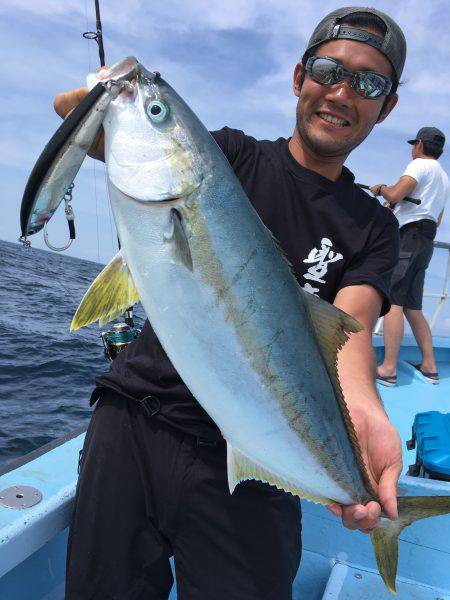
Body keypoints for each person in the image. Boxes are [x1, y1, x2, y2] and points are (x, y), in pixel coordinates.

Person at [55, 7, 406, 599]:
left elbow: (350, 333)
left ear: (387, 106)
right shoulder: (229, 158)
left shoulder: (372, 226)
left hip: (258, 458)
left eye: (369, 83)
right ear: (299, 78)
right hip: (135, 421)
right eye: (328, 70)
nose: (342, 92)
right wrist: (119, 90)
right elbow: (72, 114)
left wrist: (366, 417)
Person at [371, 127, 449, 386]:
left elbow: (394, 193)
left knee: (393, 301)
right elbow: (435, 216)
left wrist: (382, 189)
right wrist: (397, 206)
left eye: (414, 144)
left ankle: (389, 369)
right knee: (413, 307)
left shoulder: (419, 165)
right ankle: (429, 366)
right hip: (425, 240)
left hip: (409, 239)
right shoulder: (444, 177)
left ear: (419, 146)